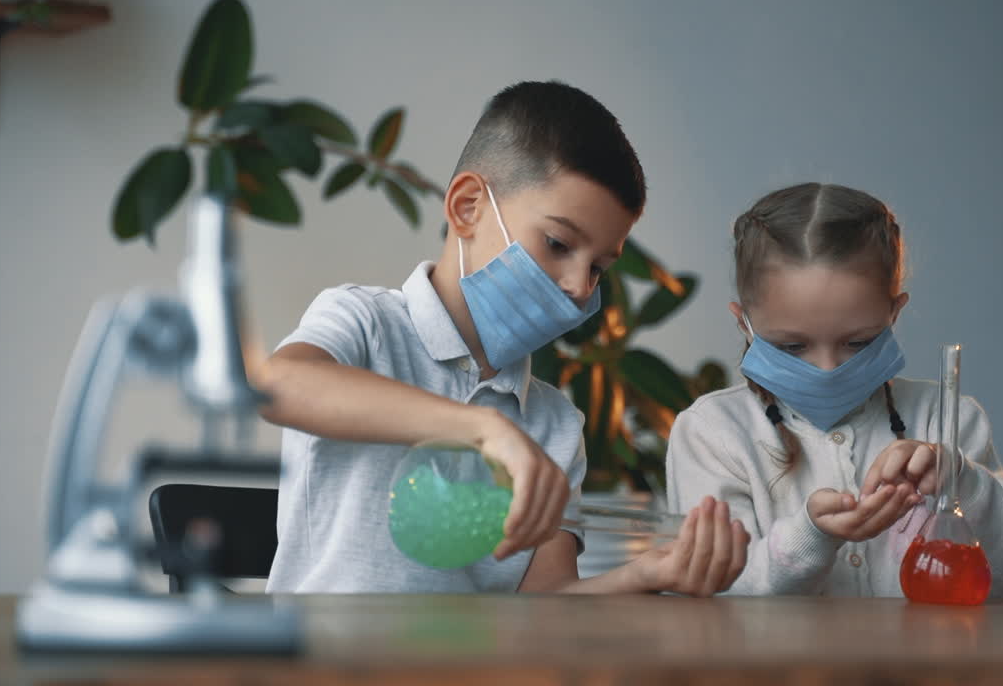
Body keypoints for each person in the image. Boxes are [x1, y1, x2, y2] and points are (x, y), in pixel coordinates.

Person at [259, 81, 748, 595]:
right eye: (558, 243)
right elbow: (278, 386)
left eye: (599, 268)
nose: (580, 287)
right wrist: (482, 429)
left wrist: (647, 574)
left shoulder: (554, 424)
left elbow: (543, 609)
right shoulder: (365, 323)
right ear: (468, 207)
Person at [667, 182, 1003, 596]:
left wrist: (962, 483)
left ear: (894, 313)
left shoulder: (948, 419)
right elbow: (714, 595)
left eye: (857, 342)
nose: (827, 369)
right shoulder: (711, 433)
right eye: (792, 346)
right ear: (743, 322)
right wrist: (812, 534)